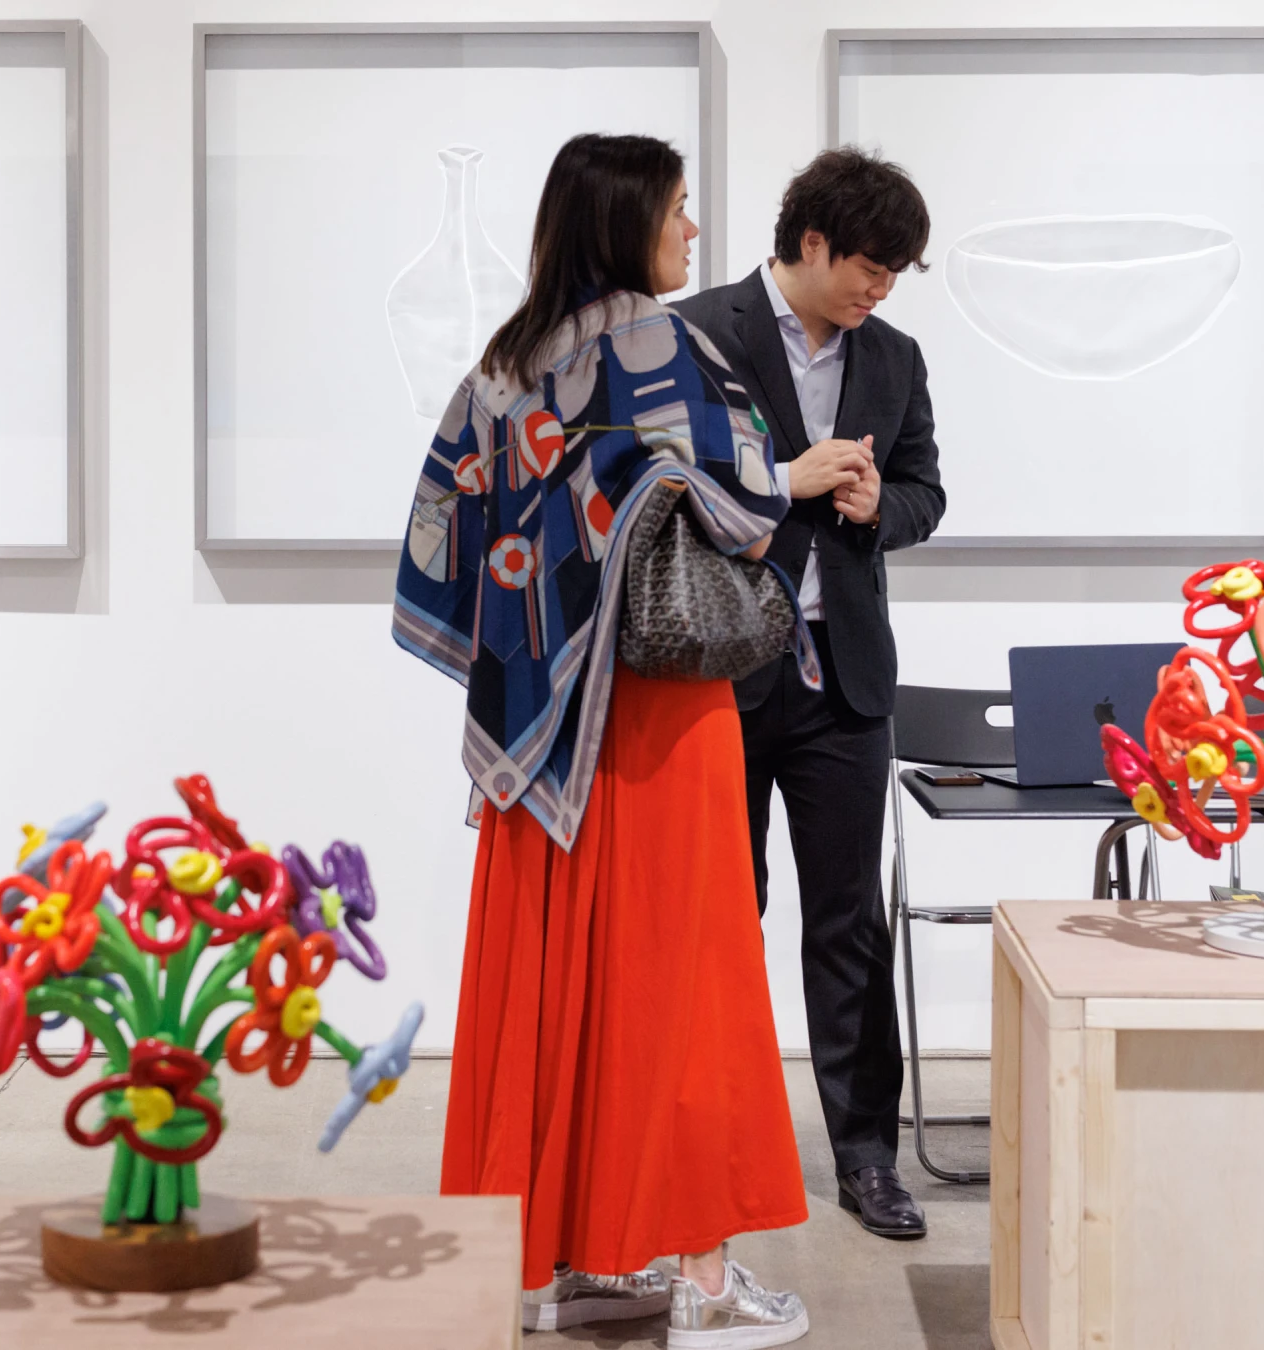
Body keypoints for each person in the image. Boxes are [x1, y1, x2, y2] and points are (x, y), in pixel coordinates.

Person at [394, 133, 814, 1348]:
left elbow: (447, 528)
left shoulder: (503, 363)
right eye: (680, 210)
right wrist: (782, 478)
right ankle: (701, 1278)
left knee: (547, 984)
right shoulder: (664, 346)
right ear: (628, 218)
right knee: (684, 983)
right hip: (656, 713)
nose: (693, 232)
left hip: (536, 725)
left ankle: (552, 1266)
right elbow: (738, 496)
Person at [671, 147, 946, 1241]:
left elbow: (929, 489)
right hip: (714, 673)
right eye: (871, 267)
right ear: (814, 241)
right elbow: (659, 482)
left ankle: (867, 1159)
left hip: (849, 685)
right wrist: (778, 484)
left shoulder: (898, 356)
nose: (880, 291)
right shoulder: (692, 331)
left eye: (896, 276)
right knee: (718, 920)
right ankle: (710, 1149)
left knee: (849, 926)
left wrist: (884, 506)